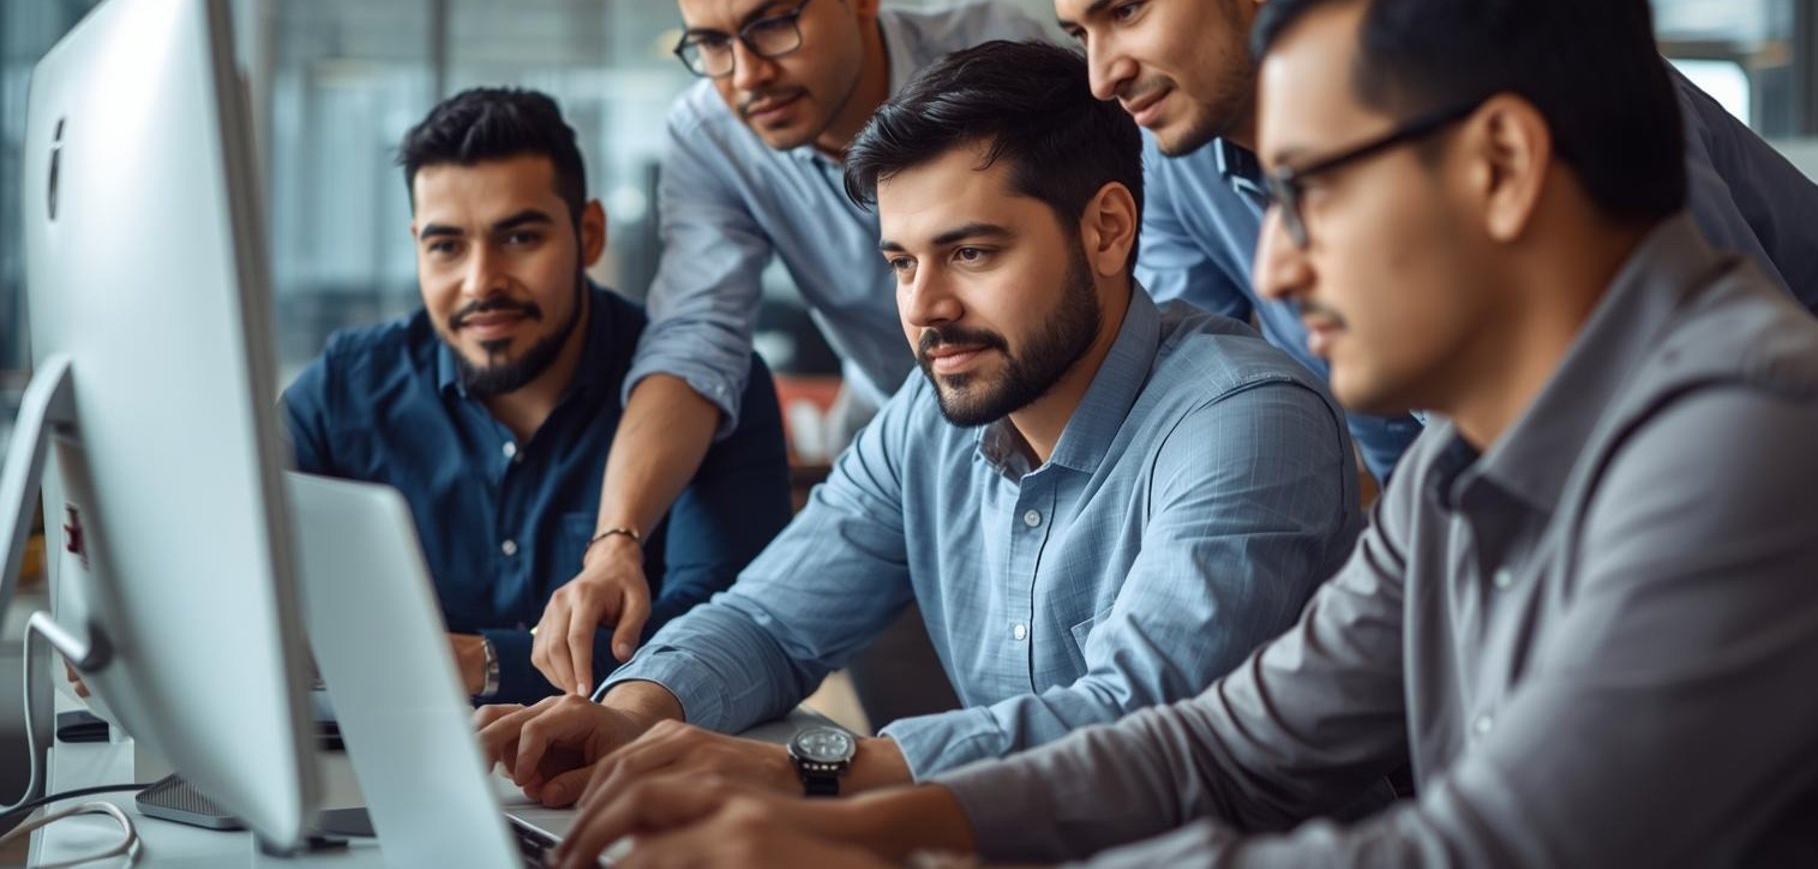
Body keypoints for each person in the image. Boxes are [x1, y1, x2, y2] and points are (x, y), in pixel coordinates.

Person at [543, 0, 1818, 869]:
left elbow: (1491, 847)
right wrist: (869, 813)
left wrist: (853, 815)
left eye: (1315, 187)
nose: (1275, 254)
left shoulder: (1760, 440)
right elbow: (1217, 741)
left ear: (1499, 165)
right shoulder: (1460, 459)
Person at [474, 39, 1368, 810]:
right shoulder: (931, 416)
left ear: (1106, 229)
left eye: (971, 252)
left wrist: (810, 773)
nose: (925, 307)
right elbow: (770, 620)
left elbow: (1132, 716)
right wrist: (632, 718)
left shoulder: (1246, 420)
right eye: (902, 261)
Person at [1003, 0, 1818, 483]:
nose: (1103, 73)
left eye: (1125, 10)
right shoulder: (1180, 156)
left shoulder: (1491, 55)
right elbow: (1197, 393)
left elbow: (1737, 391)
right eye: (1080, 33)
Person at [533, 0, 1052, 698]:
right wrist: (617, 540)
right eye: (709, 43)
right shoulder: (712, 134)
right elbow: (695, 343)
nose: (745, 78)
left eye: (772, 23)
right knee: (913, 736)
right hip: (903, 433)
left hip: (1071, 427)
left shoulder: (1001, 58)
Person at [282, 87, 792, 705]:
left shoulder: (703, 388)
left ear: (590, 234)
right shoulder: (345, 389)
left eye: (519, 238)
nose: (481, 282)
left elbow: (723, 628)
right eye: (446, 246)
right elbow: (248, 578)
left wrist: (481, 662)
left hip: (630, 769)